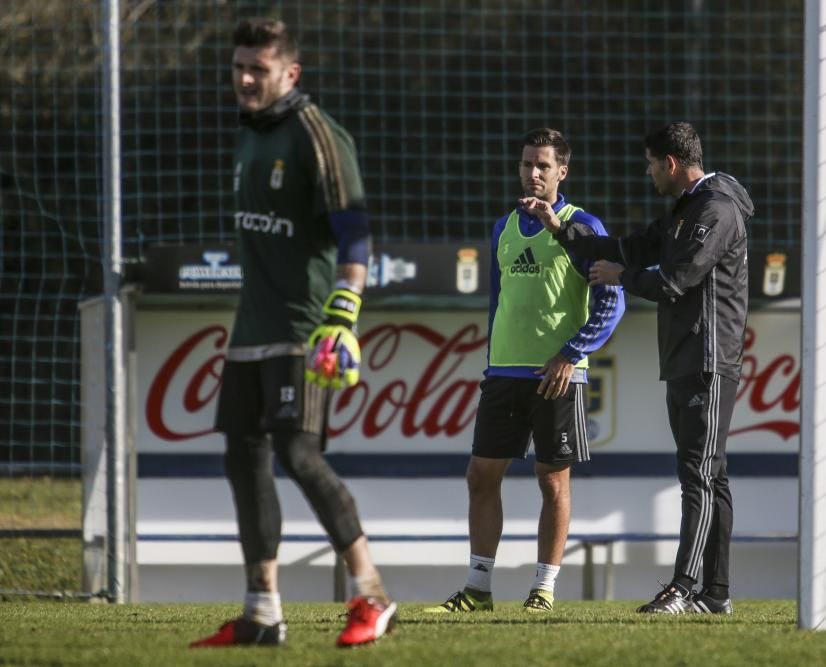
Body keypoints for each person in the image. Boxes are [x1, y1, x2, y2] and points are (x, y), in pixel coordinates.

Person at [190, 18, 396, 648]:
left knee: (299, 454)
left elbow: (355, 231)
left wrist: (343, 314)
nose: (246, 79)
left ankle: (372, 596)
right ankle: (263, 612)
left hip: (305, 329)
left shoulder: (316, 134)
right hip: (251, 329)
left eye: (259, 68)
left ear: (291, 73)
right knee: (242, 458)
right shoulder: (250, 136)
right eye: (239, 67)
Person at [527, 122, 753, 615]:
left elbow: (677, 280)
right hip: (686, 359)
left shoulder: (715, 210)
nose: (648, 173)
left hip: (709, 361)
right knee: (711, 477)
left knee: (699, 474)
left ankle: (685, 587)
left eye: (651, 163)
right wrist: (559, 229)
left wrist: (623, 279)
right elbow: (623, 249)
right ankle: (715, 595)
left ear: (670, 163)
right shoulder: (685, 211)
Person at [425, 128, 624, 614]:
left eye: (542, 165)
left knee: (552, 480)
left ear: (562, 172)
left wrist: (571, 352)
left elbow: (611, 303)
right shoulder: (503, 229)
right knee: (480, 476)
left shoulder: (584, 227)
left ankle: (544, 588)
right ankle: (478, 588)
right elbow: (499, 303)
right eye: (526, 164)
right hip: (504, 374)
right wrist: (494, 360)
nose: (533, 173)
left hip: (558, 374)